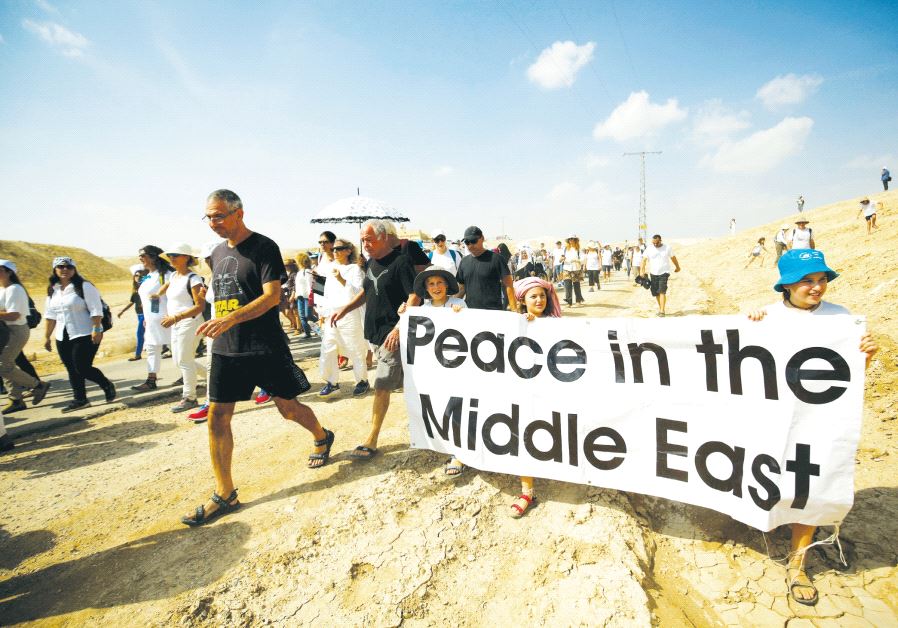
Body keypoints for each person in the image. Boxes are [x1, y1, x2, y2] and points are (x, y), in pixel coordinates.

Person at [182, 189, 334, 527]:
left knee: (288, 408)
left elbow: (271, 298)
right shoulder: (217, 253)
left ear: (239, 213)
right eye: (208, 216)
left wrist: (232, 317)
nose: (212, 222)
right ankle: (225, 493)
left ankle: (322, 436)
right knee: (218, 417)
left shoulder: (265, 247)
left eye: (219, 215)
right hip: (226, 348)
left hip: (263, 346)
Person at [746, 249, 877, 606]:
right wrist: (747, 324)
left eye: (822, 280)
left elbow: (848, 369)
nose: (817, 287)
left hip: (817, 417)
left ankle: (797, 563)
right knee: (773, 476)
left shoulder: (842, 318)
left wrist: (865, 353)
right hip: (773, 416)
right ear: (786, 285)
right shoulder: (765, 317)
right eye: (807, 280)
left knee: (810, 480)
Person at [331, 219, 417, 460]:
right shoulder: (370, 262)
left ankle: (372, 437)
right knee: (402, 383)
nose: (365, 244)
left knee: (381, 385)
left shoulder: (401, 262)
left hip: (393, 335)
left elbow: (414, 295)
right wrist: (347, 308)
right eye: (363, 240)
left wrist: (399, 328)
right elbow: (367, 291)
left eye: (369, 239)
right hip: (375, 333)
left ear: (383, 238)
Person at [398, 266, 467, 474]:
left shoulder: (459, 303)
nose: (436, 287)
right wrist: (404, 315)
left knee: (457, 407)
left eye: (439, 283)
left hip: (456, 368)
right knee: (438, 406)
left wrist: (461, 316)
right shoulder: (421, 310)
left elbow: (470, 330)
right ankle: (444, 444)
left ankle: (459, 454)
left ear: (447, 285)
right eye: (431, 284)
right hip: (433, 370)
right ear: (425, 288)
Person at [509, 276, 563, 518]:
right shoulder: (514, 322)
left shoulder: (557, 323)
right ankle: (527, 491)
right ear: (523, 301)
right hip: (523, 390)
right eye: (533, 296)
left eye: (542, 295)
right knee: (524, 434)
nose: (539, 300)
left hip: (550, 390)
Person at [43, 256, 114, 413]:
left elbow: (96, 309)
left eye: (69, 267)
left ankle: (106, 384)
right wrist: (47, 337)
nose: (65, 270)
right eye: (61, 267)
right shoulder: (52, 290)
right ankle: (80, 399)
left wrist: (97, 329)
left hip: (85, 332)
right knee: (71, 369)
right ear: (55, 270)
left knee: (82, 367)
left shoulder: (84, 286)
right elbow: (50, 316)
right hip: (63, 335)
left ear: (74, 270)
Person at [317, 239, 369, 397]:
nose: (335, 252)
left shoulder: (355, 269)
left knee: (355, 348)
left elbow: (359, 293)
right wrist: (322, 313)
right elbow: (323, 293)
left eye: (339, 249)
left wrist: (341, 279)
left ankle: (362, 380)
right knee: (328, 348)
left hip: (349, 313)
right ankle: (332, 382)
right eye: (334, 249)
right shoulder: (329, 269)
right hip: (332, 315)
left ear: (348, 250)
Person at [159, 243, 207, 413]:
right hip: (176, 323)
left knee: (184, 361)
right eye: (170, 255)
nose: (171, 258)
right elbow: (164, 291)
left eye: (175, 255)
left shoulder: (194, 279)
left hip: (190, 322)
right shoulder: (173, 276)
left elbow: (199, 306)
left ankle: (189, 397)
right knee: (180, 360)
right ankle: (218, 381)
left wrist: (176, 317)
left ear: (186, 257)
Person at [0, 260, 52, 414]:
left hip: (16, 330)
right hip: (5, 330)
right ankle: (15, 399)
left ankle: (38, 385)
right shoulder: (2, 289)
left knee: (4, 365)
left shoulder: (15, 289)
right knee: (6, 365)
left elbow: (14, 314)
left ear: (9, 272)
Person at [132, 245, 174, 391]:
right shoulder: (148, 276)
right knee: (151, 348)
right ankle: (151, 380)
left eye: (143, 256)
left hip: (167, 319)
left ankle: (196, 375)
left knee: (179, 351)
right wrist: (145, 317)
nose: (141, 259)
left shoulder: (168, 274)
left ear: (153, 256)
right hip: (150, 321)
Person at [455, 226, 516, 312]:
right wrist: (452, 305)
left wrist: (514, 309)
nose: (471, 245)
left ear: (482, 238)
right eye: (467, 242)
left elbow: (508, 285)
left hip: (493, 313)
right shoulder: (464, 262)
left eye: (473, 241)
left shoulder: (496, 259)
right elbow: (461, 288)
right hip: (470, 312)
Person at [639, 234, 681, 317]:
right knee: (656, 293)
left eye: (657, 243)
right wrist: (641, 271)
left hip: (664, 272)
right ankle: (661, 308)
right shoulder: (649, 248)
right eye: (653, 243)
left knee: (662, 291)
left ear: (660, 240)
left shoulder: (667, 247)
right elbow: (644, 260)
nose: (655, 244)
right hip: (653, 273)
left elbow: (673, 258)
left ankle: (662, 311)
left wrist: (677, 267)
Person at [117, 264, 148, 361]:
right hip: (139, 315)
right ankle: (165, 348)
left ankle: (137, 355)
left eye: (141, 276)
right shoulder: (135, 290)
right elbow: (132, 302)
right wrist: (122, 311)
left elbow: (151, 276)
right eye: (136, 275)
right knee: (148, 333)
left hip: (146, 314)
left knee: (140, 333)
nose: (138, 277)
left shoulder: (147, 287)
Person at [293, 252, 315, 338]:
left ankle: (320, 323)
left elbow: (310, 285)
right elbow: (297, 285)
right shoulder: (299, 273)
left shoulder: (308, 272)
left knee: (308, 315)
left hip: (307, 296)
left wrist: (311, 296)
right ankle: (307, 333)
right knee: (302, 316)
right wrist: (295, 294)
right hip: (300, 296)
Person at [560, 236, 585, 307]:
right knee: (567, 285)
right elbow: (560, 259)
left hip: (576, 269)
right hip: (566, 268)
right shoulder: (564, 249)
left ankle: (578, 301)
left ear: (575, 240)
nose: (571, 240)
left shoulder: (578, 249)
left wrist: (576, 260)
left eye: (572, 239)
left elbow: (583, 259)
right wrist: (561, 258)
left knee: (576, 285)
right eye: (569, 239)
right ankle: (569, 302)